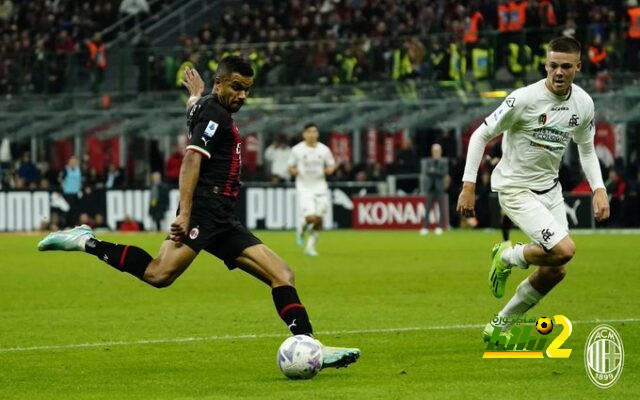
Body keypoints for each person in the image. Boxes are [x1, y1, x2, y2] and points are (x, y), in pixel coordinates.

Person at [38, 56, 359, 369]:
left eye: (247, 89)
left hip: (223, 217)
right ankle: (86, 242)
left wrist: (194, 95)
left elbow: (193, 114)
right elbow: (192, 159)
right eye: (237, 87)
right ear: (220, 83)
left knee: (282, 274)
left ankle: (311, 344)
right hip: (204, 211)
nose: (243, 96)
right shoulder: (216, 115)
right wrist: (185, 213)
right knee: (159, 274)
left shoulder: (207, 108)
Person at [456, 37, 610, 342]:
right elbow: (480, 135)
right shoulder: (523, 99)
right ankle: (507, 256)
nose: (559, 72)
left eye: (566, 66)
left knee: (556, 268)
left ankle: (498, 328)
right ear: (546, 65)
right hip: (515, 188)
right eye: (553, 65)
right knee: (565, 250)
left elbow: (587, 150)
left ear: (578, 67)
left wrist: (599, 188)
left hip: (550, 190)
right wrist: (468, 185)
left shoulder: (583, 104)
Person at [288, 123, 336, 256]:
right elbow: (290, 166)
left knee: (319, 219)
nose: (312, 134)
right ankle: (301, 229)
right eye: (309, 132)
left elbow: (332, 165)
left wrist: (329, 170)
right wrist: (293, 171)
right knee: (311, 218)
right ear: (304, 134)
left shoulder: (324, 150)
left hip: (321, 187)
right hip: (304, 188)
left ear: (317, 134)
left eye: (314, 131)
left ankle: (310, 248)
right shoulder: (297, 150)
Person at [420, 143, 448, 236]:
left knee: (441, 208)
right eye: (434, 151)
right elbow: (427, 172)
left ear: (440, 151)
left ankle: (440, 226)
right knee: (427, 208)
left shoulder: (444, 161)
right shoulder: (428, 161)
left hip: (440, 187)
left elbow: (443, 173)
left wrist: (433, 171)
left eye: (437, 151)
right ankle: (425, 227)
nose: (436, 152)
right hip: (430, 187)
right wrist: (436, 172)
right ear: (432, 152)